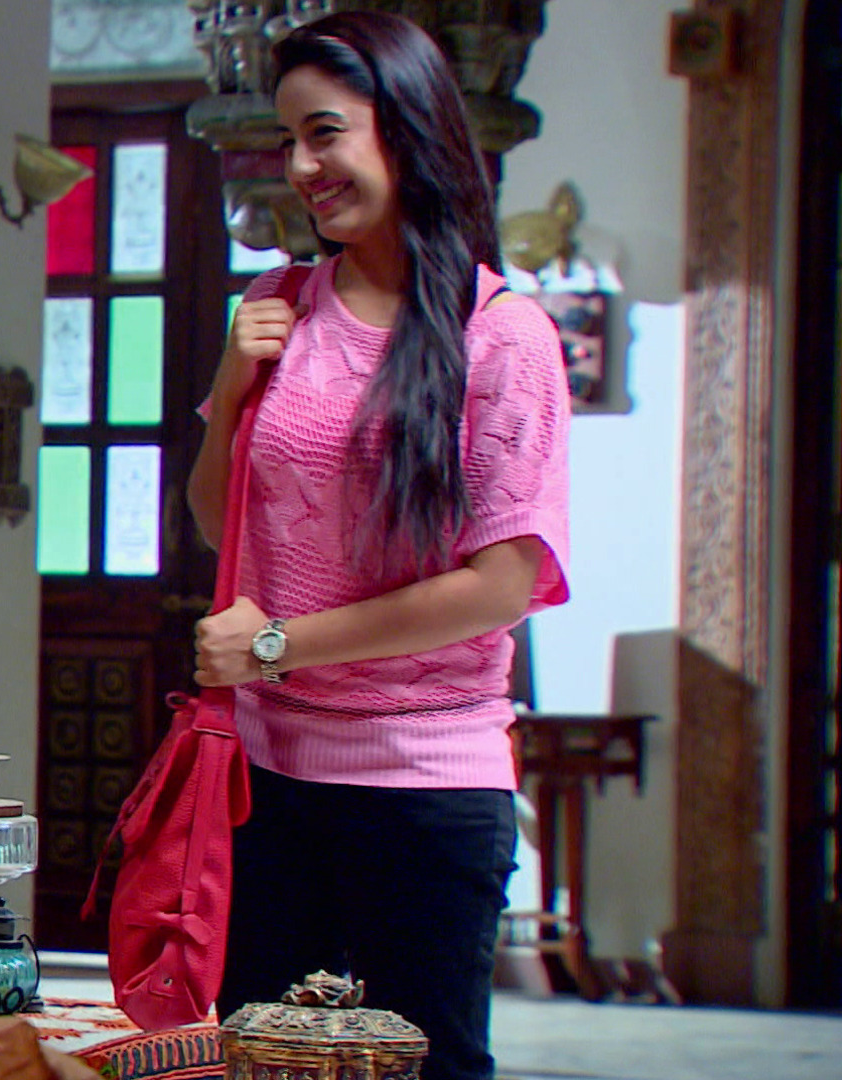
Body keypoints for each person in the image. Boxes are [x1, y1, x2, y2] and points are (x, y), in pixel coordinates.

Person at [184, 13, 569, 1080]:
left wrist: (276, 646)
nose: (301, 167)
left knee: (426, 1068)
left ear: (406, 129)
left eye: (325, 133)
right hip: (264, 779)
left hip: (427, 787)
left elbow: (501, 585)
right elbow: (221, 522)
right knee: (258, 1063)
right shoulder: (275, 304)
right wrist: (230, 386)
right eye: (287, 140)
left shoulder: (504, 334)